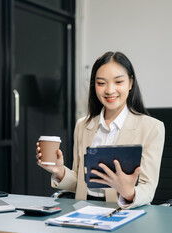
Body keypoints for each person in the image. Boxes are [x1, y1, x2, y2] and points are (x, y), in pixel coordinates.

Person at [36, 51, 165, 209]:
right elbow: (81, 183)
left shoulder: (151, 127)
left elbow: (148, 188)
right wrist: (59, 171)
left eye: (118, 82)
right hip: (83, 210)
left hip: (124, 209)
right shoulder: (83, 125)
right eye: (101, 83)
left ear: (130, 83)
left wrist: (128, 192)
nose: (110, 90)